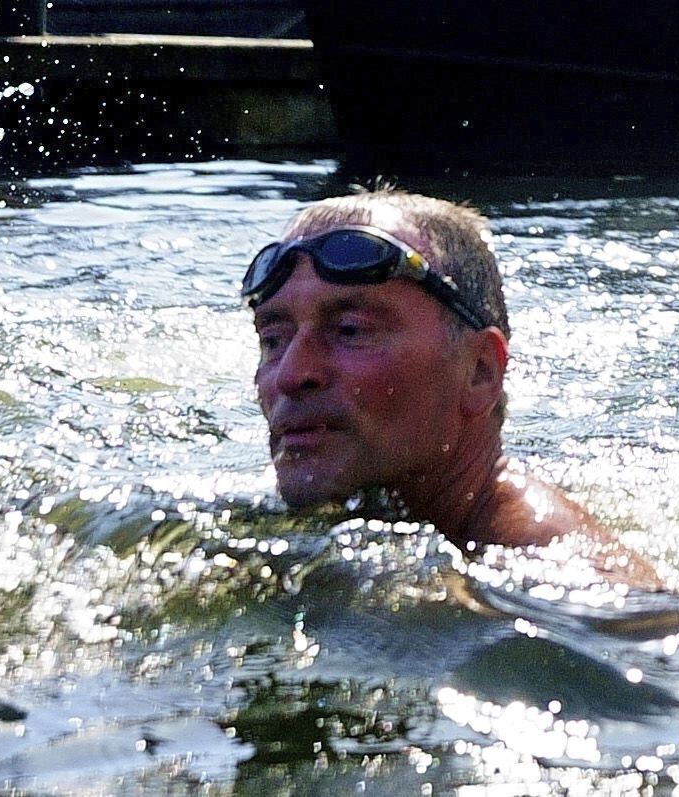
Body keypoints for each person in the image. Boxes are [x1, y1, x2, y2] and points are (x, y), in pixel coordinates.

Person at [244, 189, 657, 584]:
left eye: (350, 331)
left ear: (479, 372)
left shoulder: (574, 587)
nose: (290, 375)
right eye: (274, 340)